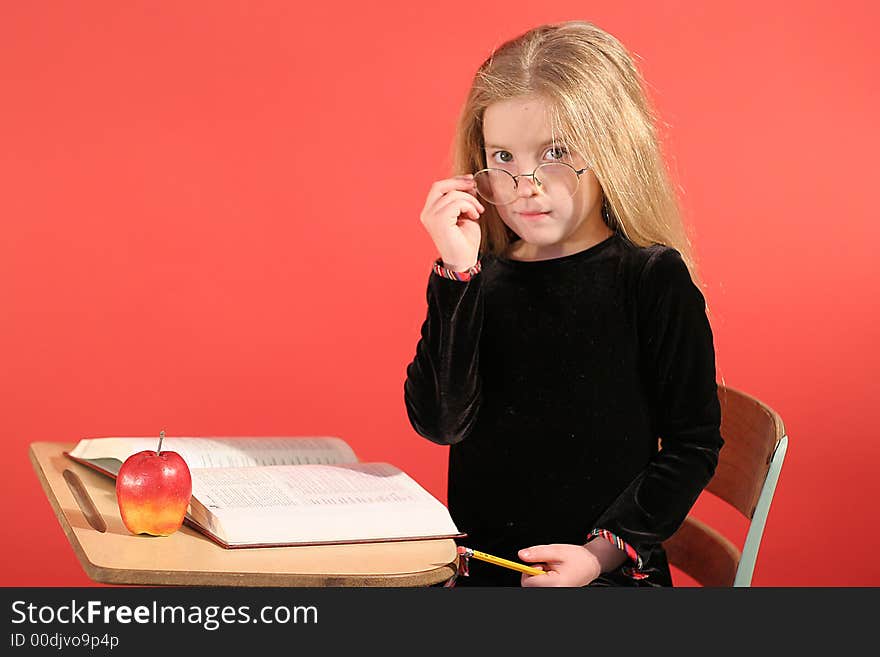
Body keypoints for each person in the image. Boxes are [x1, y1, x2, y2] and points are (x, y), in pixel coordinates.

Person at [404, 20, 723, 587]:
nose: (525, 183)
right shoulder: (481, 276)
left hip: (605, 575)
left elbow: (691, 447)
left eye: (555, 152)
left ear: (611, 151)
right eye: (502, 155)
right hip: (485, 575)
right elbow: (440, 423)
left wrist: (598, 554)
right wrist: (457, 272)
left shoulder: (650, 278)